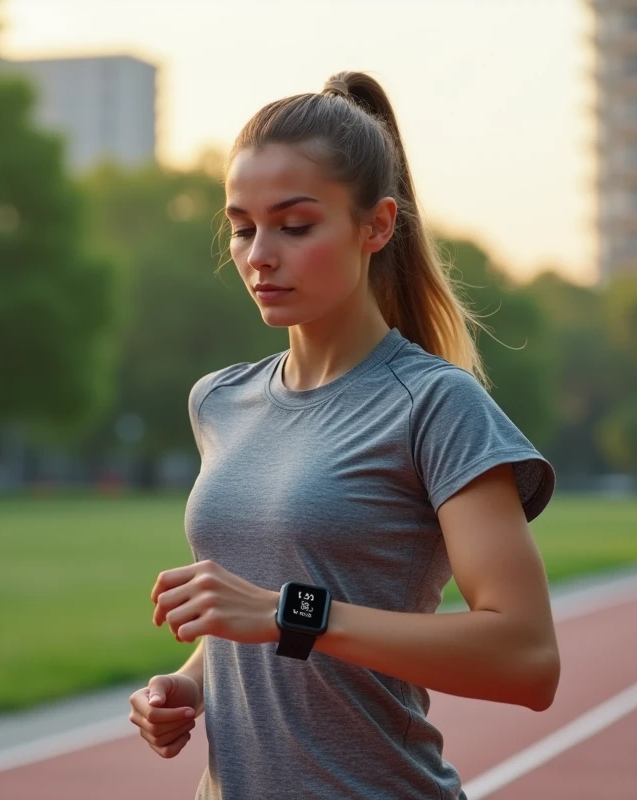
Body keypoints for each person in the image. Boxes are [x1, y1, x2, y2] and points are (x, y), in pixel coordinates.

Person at [128, 70, 559, 800]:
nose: (260, 253)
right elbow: (258, 618)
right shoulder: (221, 401)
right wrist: (191, 683)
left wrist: (286, 613)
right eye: (241, 227)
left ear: (377, 226)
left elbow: (526, 659)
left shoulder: (436, 404)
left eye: (295, 225)